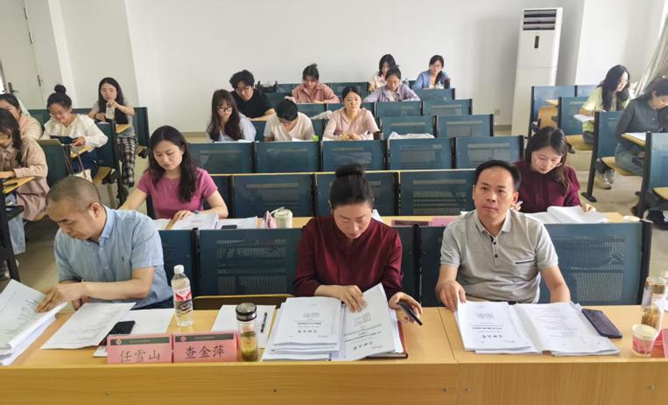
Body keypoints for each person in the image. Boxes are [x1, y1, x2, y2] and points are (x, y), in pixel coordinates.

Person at [435, 160, 571, 310]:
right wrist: (448, 287)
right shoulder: (456, 230)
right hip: (473, 309)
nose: (491, 197)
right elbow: (444, 283)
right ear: (474, 192)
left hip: (522, 309)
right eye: (484, 188)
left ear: (514, 199)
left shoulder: (533, 229)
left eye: (500, 191)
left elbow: (558, 286)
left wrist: (560, 316)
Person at [294, 163, 422, 317]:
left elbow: (391, 288)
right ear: (331, 208)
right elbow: (302, 285)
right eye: (344, 219)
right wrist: (335, 291)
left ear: (372, 208)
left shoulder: (388, 239)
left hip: (366, 317)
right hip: (323, 315)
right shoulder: (315, 230)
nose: (354, 228)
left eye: (361, 219)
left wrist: (396, 298)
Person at [36, 177, 173, 312]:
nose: (64, 230)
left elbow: (141, 288)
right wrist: (70, 290)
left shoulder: (138, 226)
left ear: (95, 210)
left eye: (68, 222)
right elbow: (68, 279)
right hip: (102, 311)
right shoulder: (63, 238)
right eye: (58, 223)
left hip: (152, 307)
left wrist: (84, 288)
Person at [120, 126, 228, 221]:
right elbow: (128, 207)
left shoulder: (200, 176)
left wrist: (196, 215)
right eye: (158, 155)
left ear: (182, 149)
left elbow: (223, 210)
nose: (165, 160)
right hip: (165, 233)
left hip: (193, 231)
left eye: (169, 153)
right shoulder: (150, 177)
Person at [0, 110, 49, 280]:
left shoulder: (27, 143)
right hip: (8, 191)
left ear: (8, 131)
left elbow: (41, 170)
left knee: (6, 207)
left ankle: (10, 256)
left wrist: (10, 173)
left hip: (31, 194)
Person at [615, 78, 668, 227]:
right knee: (656, 172)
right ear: (654, 93)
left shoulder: (664, 110)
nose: (665, 104)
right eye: (663, 100)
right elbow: (619, 134)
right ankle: (654, 210)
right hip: (627, 153)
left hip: (653, 155)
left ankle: (646, 204)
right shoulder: (635, 105)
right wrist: (637, 151)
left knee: (662, 170)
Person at [515, 127, 590, 213]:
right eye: (541, 158)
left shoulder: (567, 174)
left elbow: (573, 206)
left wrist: (584, 210)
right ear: (530, 151)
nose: (547, 165)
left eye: (554, 160)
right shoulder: (512, 172)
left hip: (556, 221)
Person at [44, 85, 108, 177]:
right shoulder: (52, 123)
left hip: (84, 162)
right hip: (61, 163)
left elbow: (103, 138)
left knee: (69, 176)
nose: (57, 116)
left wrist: (85, 140)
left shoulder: (83, 121)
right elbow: (43, 142)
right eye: (53, 113)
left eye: (60, 112)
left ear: (70, 108)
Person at [88, 77, 137, 187]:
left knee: (128, 153)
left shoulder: (123, 100)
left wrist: (118, 106)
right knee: (97, 152)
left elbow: (131, 111)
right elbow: (89, 115)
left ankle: (126, 181)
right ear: (100, 92)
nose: (107, 93)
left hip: (126, 137)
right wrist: (97, 115)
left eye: (111, 90)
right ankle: (105, 174)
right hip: (108, 138)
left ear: (117, 91)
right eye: (104, 90)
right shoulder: (99, 103)